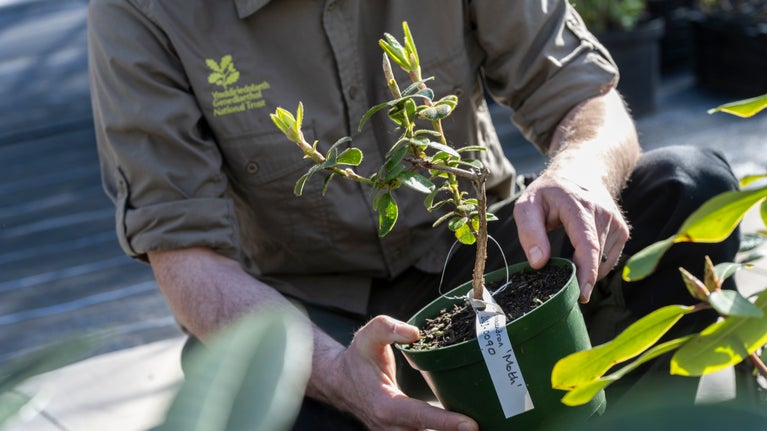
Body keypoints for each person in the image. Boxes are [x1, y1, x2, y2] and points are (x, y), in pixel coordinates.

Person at [88, 1, 740, 430]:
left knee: (689, 187)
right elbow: (187, 260)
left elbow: (582, 97)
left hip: (482, 256)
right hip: (315, 309)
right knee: (251, 396)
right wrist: (340, 376)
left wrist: (578, 171)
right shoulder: (140, 12)